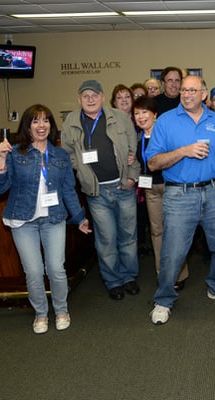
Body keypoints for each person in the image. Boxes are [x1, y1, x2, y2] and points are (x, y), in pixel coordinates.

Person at [146, 75, 215, 325]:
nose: (186, 94)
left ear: (204, 94)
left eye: (192, 90)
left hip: (214, 192)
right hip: (179, 195)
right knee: (173, 253)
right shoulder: (165, 121)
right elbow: (152, 162)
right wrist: (183, 151)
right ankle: (164, 299)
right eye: (184, 90)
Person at [0, 104, 91, 334]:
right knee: (34, 271)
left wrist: (80, 218)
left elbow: (68, 190)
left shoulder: (60, 155)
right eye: (35, 121)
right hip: (23, 221)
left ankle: (62, 310)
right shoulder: (16, 153)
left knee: (56, 268)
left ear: (51, 126)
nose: (41, 125)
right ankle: (41, 313)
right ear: (27, 126)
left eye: (46, 120)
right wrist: (2, 158)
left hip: (53, 218)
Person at [62, 79, 140, 301]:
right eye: (85, 96)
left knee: (128, 236)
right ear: (79, 99)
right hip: (96, 192)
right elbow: (67, 154)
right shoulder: (71, 121)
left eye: (94, 95)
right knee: (106, 238)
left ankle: (128, 276)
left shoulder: (120, 117)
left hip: (123, 186)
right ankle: (113, 280)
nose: (90, 99)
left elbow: (133, 150)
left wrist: (132, 177)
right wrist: (81, 171)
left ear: (102, 97)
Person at [133, 95, 189, 289]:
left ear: (155, 115)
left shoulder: (166, 133)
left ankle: (180, 274)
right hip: (150, 190)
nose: (141, 117)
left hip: (170, 186)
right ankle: (162, 273)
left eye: (144, 112)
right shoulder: (138, 137)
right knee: (157, 232)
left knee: (175, 231)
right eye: (137, 113)